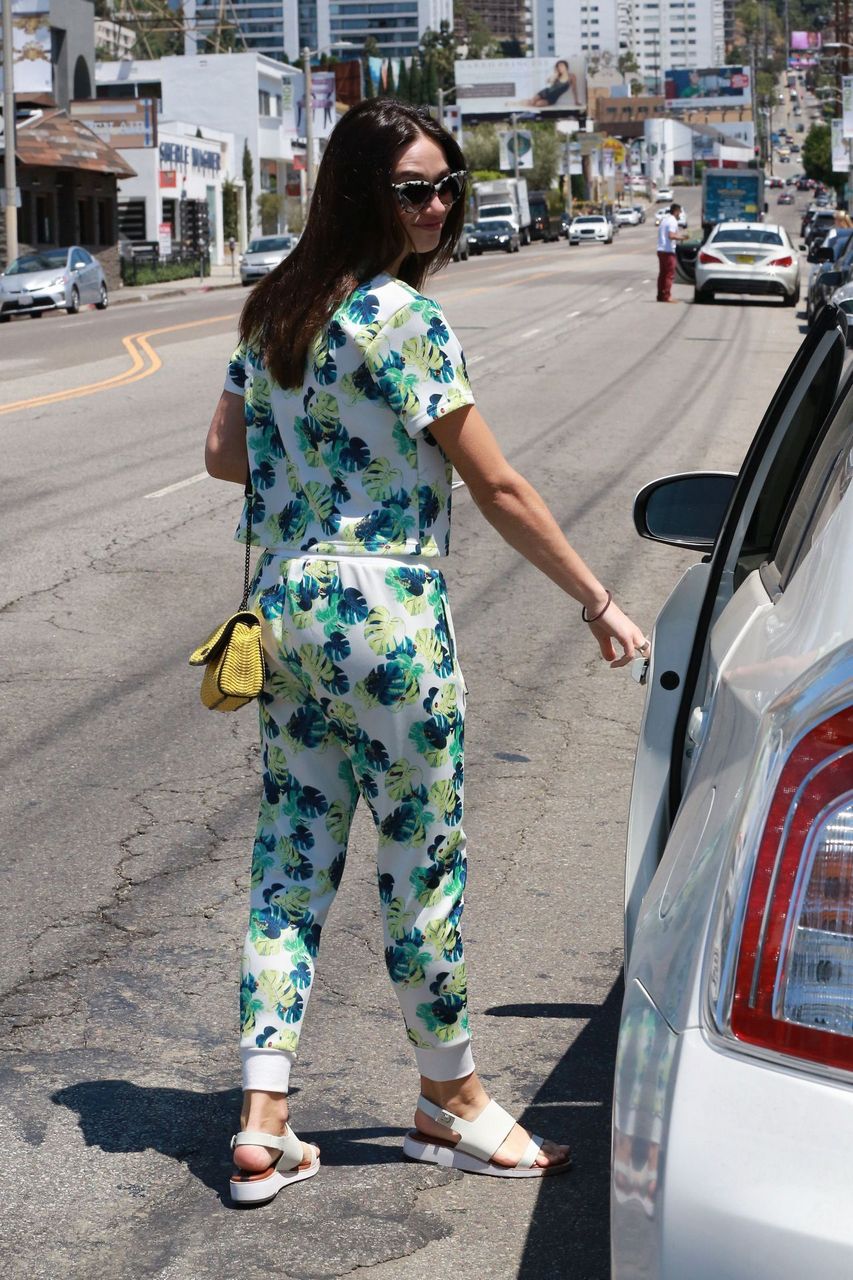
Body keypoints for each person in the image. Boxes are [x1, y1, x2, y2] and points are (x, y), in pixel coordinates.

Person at [205, 98, 647, 1205]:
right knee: (422, 857)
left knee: (292, 855)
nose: (438, 206)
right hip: (387, 611)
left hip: (289, 607)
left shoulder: (274, 310)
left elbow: (223, 455)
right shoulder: (402, 316)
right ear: (360, 192)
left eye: (449, 186)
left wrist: (313, 466)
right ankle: (449, 1099)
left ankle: (264, 1115)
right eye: (414, 188)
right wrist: (596, 597)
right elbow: (495, 483)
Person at [656, 202, 686, 302]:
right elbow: (671, 235)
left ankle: (660, 295)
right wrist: (682, 237)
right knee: (669, 274)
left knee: (663, 274)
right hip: (668, 251)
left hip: (661, 250)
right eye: (680, 212)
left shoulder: (665, 220)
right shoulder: (673, 221)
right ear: (676, 211)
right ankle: (667, 296)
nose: (680, 214)